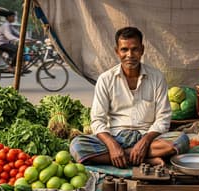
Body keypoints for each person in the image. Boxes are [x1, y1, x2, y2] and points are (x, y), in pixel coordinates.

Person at [70, 27, 189, 168]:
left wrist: (144, 142)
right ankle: (145, 159)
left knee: (182, 140)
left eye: (135, 49)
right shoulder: (106, 79)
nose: (130, 55)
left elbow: (163, 117)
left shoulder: (156, 77)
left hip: (148, 137)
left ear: (142, 50)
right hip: (116, 137)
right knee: (77, 145)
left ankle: (126, 156)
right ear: (117, 51)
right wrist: (113, 145)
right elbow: (97, 120)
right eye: (124, 49)